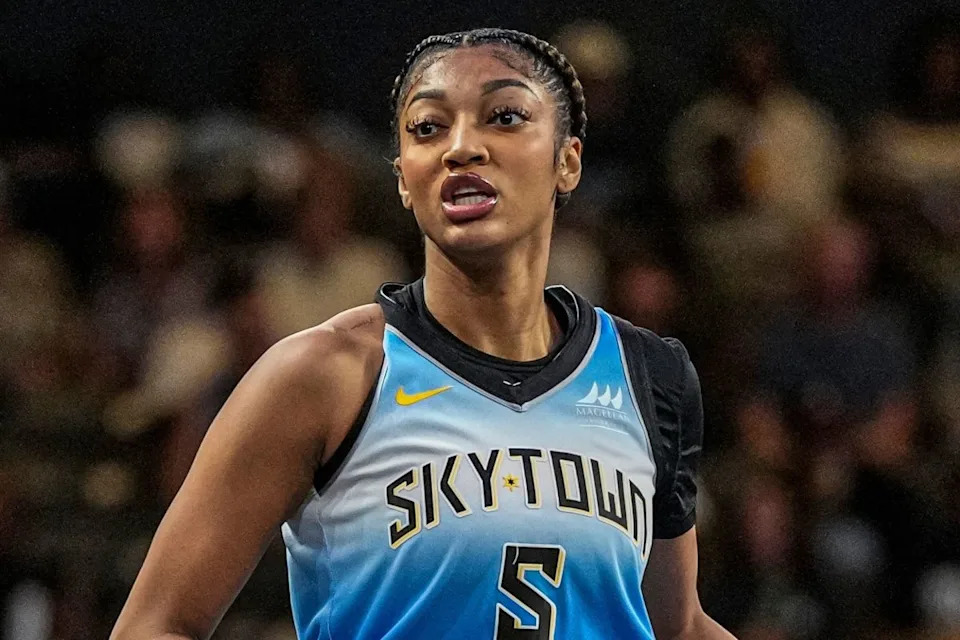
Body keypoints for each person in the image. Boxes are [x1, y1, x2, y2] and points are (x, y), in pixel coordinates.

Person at [110, 28, 734, 640]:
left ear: (567, 160)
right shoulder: (324, 374)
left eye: (505, 115)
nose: (461, 147)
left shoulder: (648, 374)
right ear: (405, 179)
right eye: (428, 127)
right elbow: (157, 623)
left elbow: (677, 626)